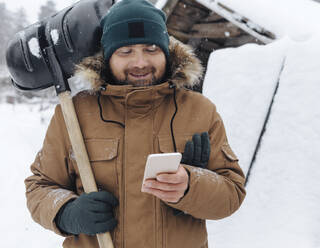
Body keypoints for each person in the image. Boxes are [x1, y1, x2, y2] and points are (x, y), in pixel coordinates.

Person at [25, 0, 246, 247]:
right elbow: (40, 187)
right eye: (125, 51)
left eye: (151, 48)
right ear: (107, 57)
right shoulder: (75, 114)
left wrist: (192, 186)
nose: (140, 62)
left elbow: (232, 194)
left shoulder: (200, 111)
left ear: (166, 51)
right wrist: (67, 213)